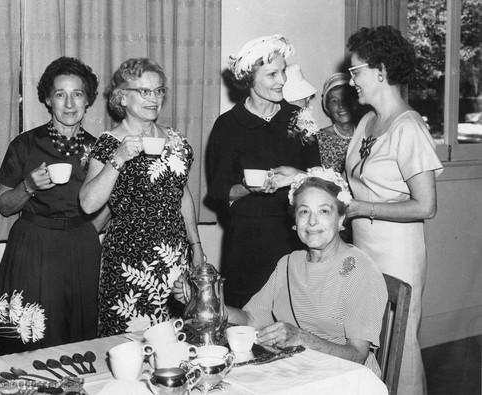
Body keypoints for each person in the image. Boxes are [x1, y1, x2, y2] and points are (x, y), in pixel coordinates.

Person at [175, 167, 387, 375]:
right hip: (300, 370)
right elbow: (250, 319)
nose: (312, 222)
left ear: (340, 218)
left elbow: (358, 355)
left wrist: (301, 338)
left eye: (324, 211)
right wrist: (202, 301)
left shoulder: (359, 269)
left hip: (346, 378)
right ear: (295, 220)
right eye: (304, 211)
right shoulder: (289, 263)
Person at [345, 26, 444, 395]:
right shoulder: (366, 123)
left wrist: (360, 208)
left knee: (399, 347)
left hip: (398, 254)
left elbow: (426, 206)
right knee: (368, 342)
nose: (352, 81)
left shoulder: (409, 127)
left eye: (356, 72)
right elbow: (355, 185)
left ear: (381, 70)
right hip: (363, 250)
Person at [79, 58, 205, 337]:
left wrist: (196, 246)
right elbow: (88, 203)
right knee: (128, 343)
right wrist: (119, 158)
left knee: (175, 340)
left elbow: (181, 193)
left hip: (174, 259)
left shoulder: (177, 141)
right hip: (130, 262)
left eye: (158, 91)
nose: (154, 98)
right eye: (144, 91)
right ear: (122, 97)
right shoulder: (110, 143)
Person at [0, 57, 104, 354]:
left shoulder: (100, 148)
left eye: (77, 94)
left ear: (88, 100)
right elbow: (3, 205)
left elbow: (110, 204)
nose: (68, 103)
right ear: (48, 100)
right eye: (60, 94)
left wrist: (87, 233)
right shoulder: (25, 144)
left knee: (79, 339)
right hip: (32, 247)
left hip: (81, 247)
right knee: (29, 338)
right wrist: (28, 186)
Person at [207, 34, 321, 308]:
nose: (282, 80)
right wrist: (248, 188)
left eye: (283, 72)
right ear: (249, 78)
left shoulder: (299, 120)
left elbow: (322, 186)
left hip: (294, 235)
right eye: (272, 74)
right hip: (247, 242)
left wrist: (298, 176)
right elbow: (219, 190)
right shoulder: (228, 125)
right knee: (247, 324)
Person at [319, 72, 360, 174]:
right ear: (328, 107)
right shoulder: (319, 140)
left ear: (355, 102)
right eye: (334, 101)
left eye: (345, 99)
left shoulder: (367, 134)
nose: (341, 105)